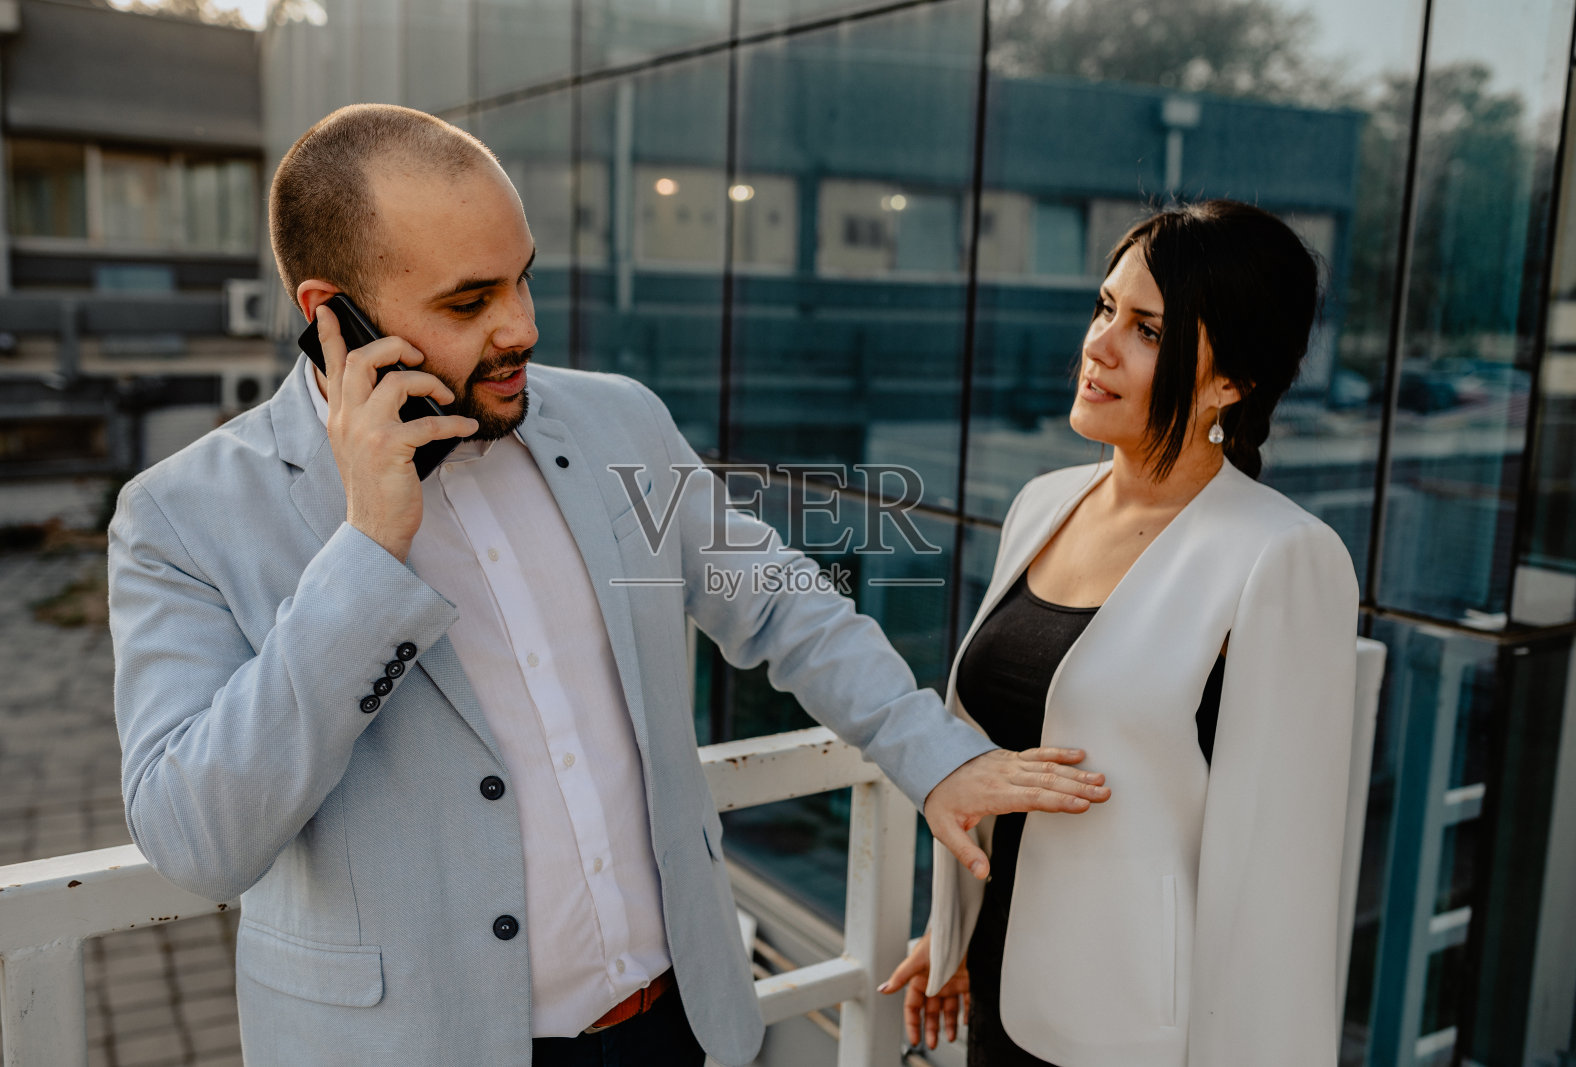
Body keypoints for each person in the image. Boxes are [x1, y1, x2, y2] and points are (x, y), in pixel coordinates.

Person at [107, 103, 1112, 1066]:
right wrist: (367, 552)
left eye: (523, 280)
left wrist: (934, 756)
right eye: (468, 302)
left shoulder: (615, 420)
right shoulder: (182, 516)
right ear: (332, 312)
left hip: (663, 1025)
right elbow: (198, 839)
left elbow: (774, 599)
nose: (521, 328)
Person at [879, 200, 1359, 1067]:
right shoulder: (1043, 504)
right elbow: (1006, 755)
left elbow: (1278, 887)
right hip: (1000, 999)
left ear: (1230, 381)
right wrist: (953, 934)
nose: (1098, 345)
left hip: (1128, 1038)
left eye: (1148, 329)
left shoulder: (1282, 554)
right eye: (1106, 308)